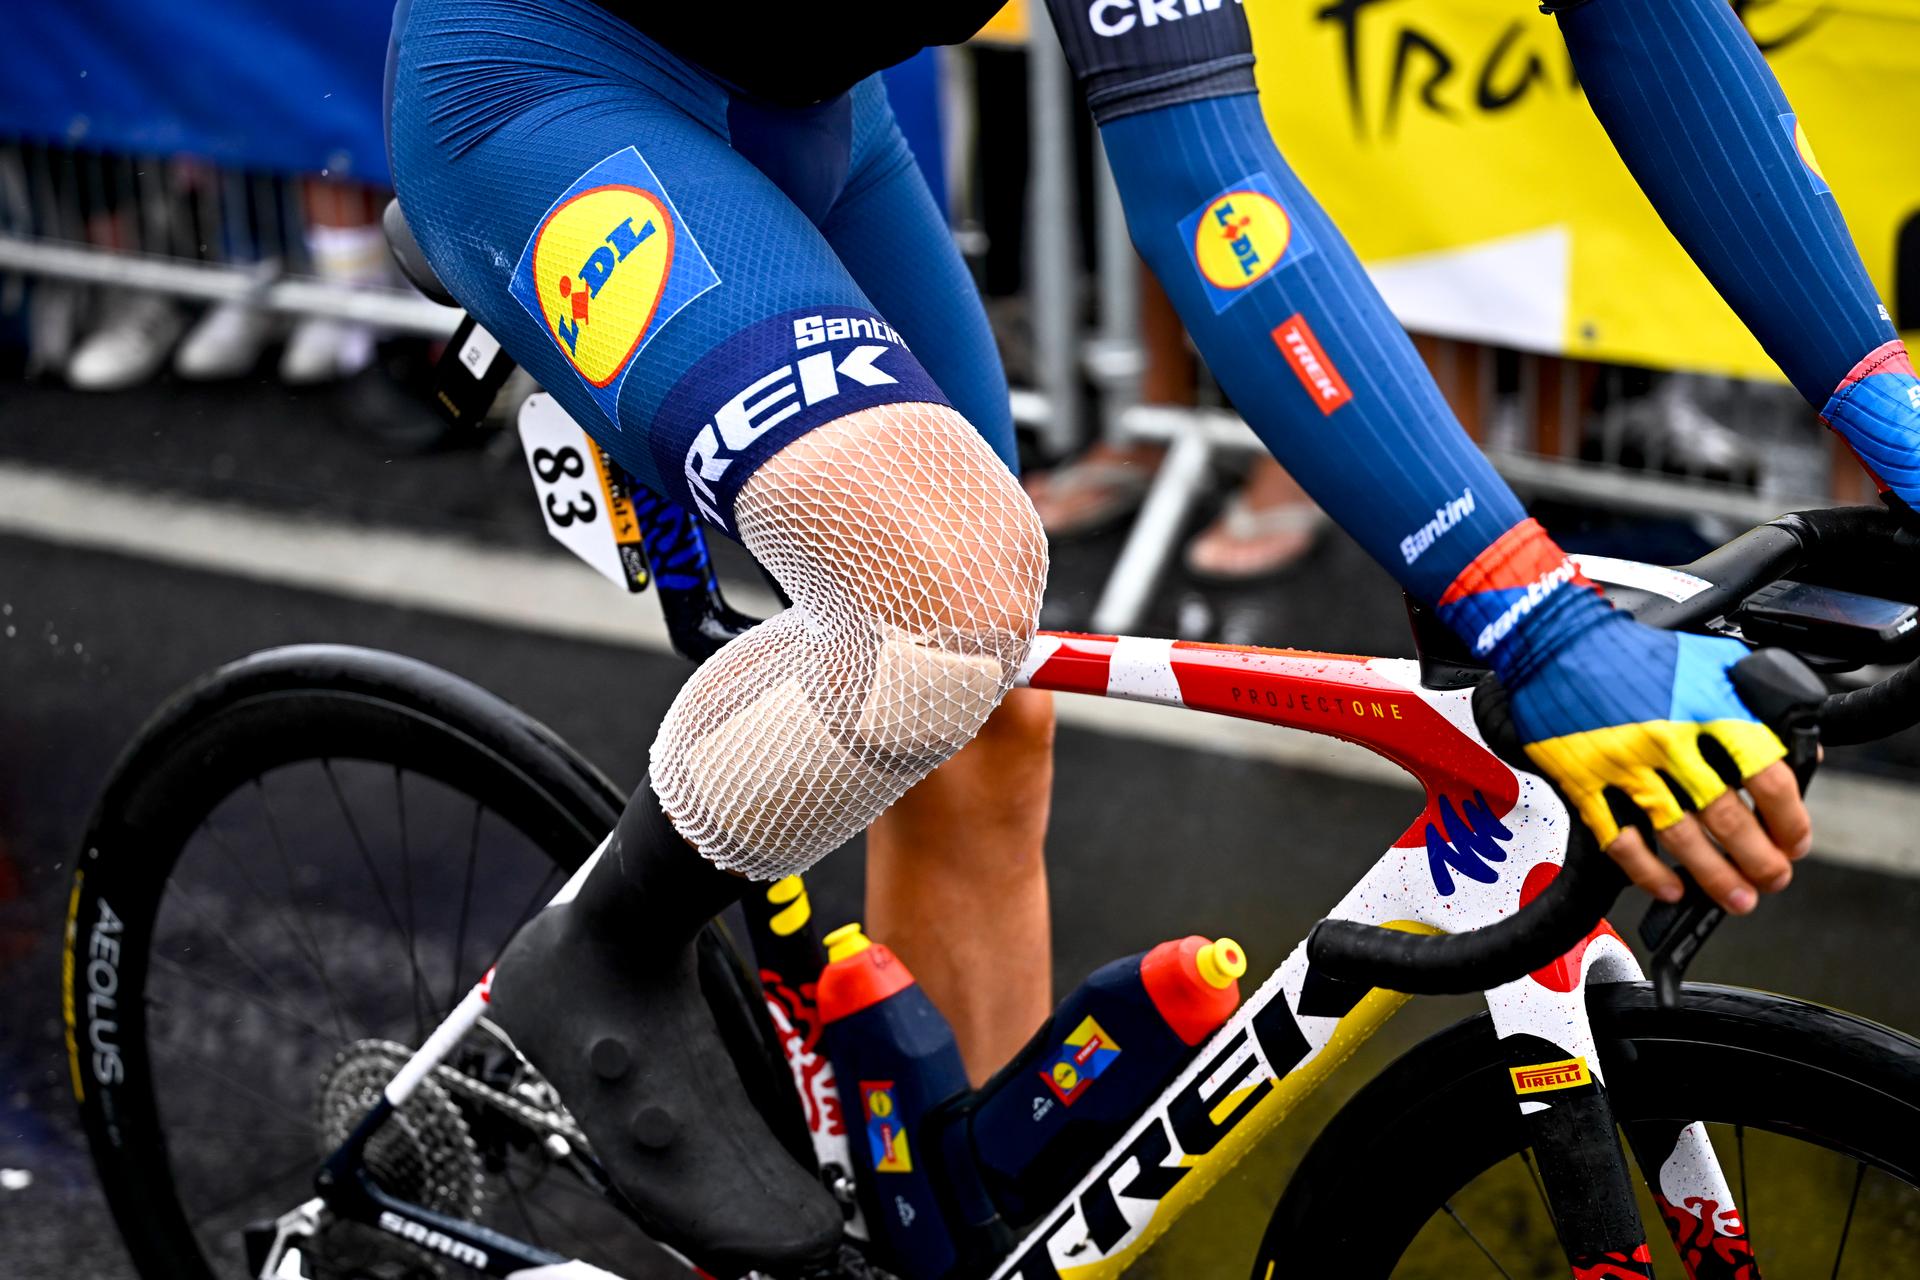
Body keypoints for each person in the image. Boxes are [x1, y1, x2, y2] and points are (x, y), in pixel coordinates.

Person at [384, 0, 1913, 1267]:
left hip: (803, 108)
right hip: (543, 82)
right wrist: (1531, 615)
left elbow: (1654, 24)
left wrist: (1881, 400)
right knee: (937, 594)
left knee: (986, 713)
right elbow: (1215, 201)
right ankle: (609, 943)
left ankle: (946, 1241)